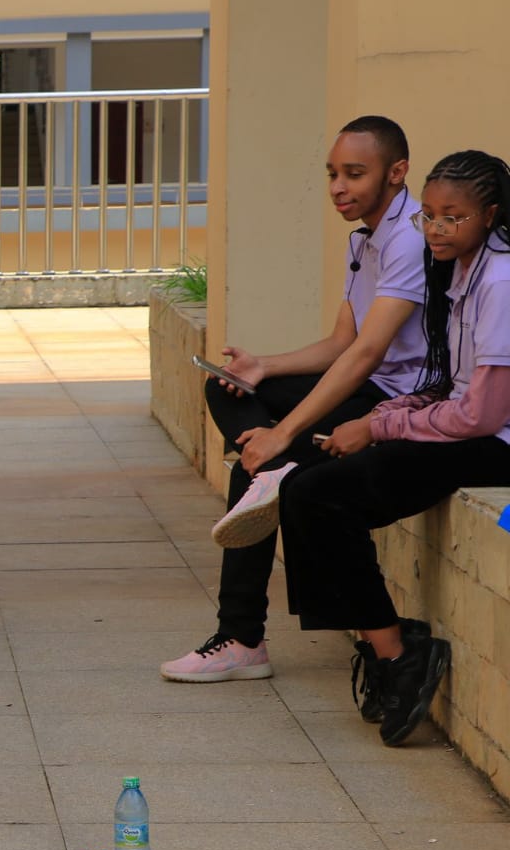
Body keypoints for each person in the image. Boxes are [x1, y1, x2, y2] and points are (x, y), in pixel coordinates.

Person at [161, 117, 430, 686]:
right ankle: (270, 481)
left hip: (397, 399)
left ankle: (242, 638)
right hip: (366, 382)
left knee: (258, 462)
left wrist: (282, 435)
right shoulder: (365, 239)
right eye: (333, 174)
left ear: (397, 172)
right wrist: (264, 367)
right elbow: (339, 341)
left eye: (355, 174)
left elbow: (364, 356)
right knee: (229, 387)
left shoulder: (410, 237)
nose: (338, 187)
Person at [269, 149, 510, 743]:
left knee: (323, 495)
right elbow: (453, 385)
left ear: (491, 216)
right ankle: (386, 647)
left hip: (496, 444)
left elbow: (483, 414)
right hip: (467, 430)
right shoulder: (460, 268)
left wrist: (379, 428)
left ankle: (396, 654)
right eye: (428, 215)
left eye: (453, 217)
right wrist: (394, 409)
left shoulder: (501, 280)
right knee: (303, 484)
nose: (435, 229)